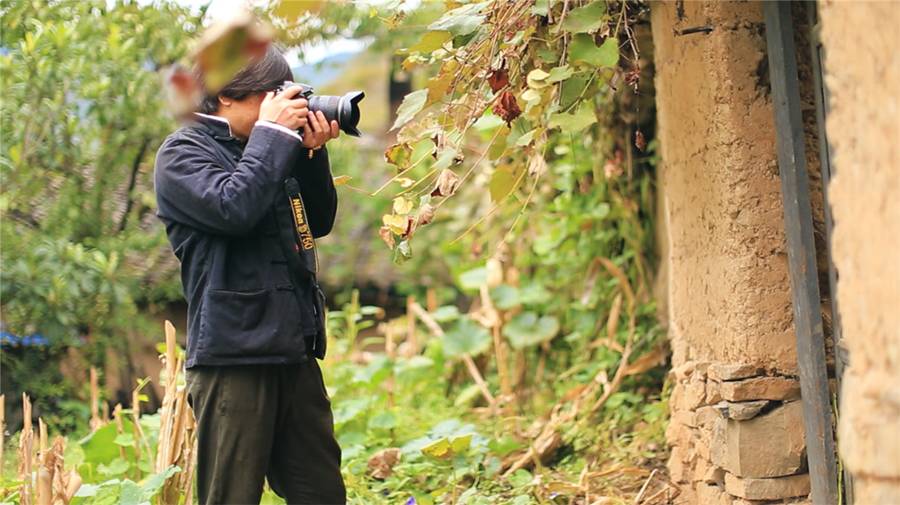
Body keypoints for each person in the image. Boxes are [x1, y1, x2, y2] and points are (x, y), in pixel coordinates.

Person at [153, 45, 346, 504]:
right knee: (232, 497)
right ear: (225, 94)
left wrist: (310, 155)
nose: (284, 105)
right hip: (233, 357)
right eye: (271, 94)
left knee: (322, 495)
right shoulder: (182, 152)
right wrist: (273, 137)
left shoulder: (269, 147)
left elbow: (316, 222)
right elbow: (233, 208)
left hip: (293, 350)